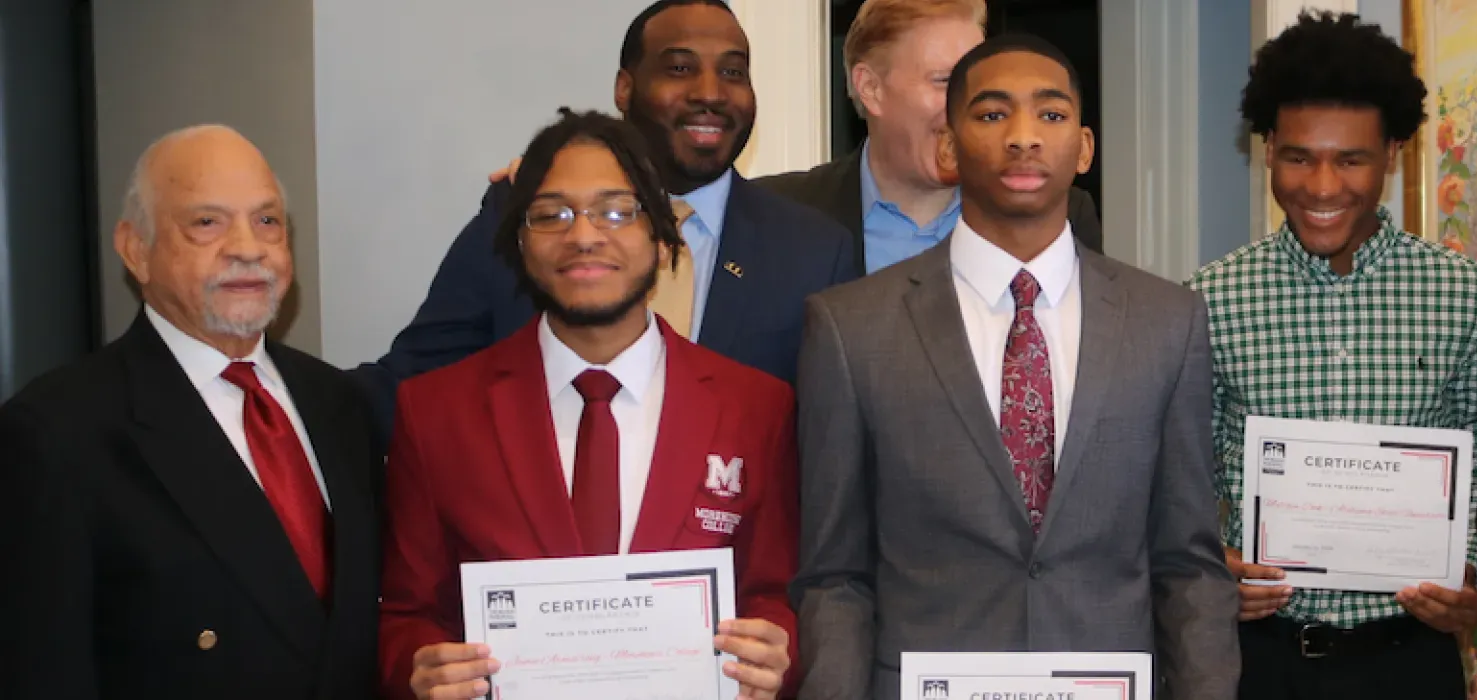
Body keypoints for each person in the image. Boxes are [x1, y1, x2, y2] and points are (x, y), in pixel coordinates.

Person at [792, 34, 1237, 700]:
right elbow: (835, 578)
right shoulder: (850, 328)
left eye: (1050, 114)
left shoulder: (1167, 323)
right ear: (949, 147)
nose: (1024, 137)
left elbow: (1189, 567)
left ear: (1083, 147)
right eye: (993, 114)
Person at [378, 109, 798, 700]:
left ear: (663, 235)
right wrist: (417, 666)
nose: (583, 236)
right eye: (552, 214)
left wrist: (778, 650)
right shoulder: (437, 413)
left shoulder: (756, 408)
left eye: (616, 211)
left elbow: (776, 595)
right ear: (520, 244)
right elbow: (406, 614)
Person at [351, 0, 860, 443]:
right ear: (624, 88)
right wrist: (301, 409)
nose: (711, 93)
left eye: (733, 72)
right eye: (680, 68)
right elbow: (411, 384)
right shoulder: (528, 213)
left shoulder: (812, 250)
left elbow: (832, 442)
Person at [0, 125, 383, 698]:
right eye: (207, 222)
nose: (248, 247)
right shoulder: (55, 433)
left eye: (267, 220)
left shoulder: (338, 401)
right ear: (136, 249)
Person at [1187, 11, 1477, 699]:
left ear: (1392, 153)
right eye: (1299, 157)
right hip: (1260, 662)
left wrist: (1469, 572)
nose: (1323, 186)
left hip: (1410, 662)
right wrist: (1215, 565)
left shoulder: (1463, 293)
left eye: (1351, 160)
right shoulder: (1209, 299)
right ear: (1269, 148)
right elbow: (1181, 480)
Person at [755, 0, 1102, 273]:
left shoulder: (1062, 212)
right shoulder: (777, 216)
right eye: (944, 81)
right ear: (871, 88)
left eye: (978, 86)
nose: (967, 104)